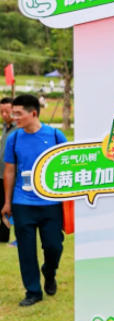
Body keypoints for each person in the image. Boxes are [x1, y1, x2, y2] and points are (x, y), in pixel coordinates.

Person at [1, 94, 67, 306]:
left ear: (34, 113)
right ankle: (33, 291)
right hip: (22, 203)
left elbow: (68, 165)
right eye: (13, 113)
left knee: (54, 246)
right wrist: (7, 202)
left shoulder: (56, 136)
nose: (14, 117)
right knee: (26, 250)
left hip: (51, 203)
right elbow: (9, 171)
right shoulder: (14, 138)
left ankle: (49, 271)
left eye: (18, 113)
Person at [0, 98, 15, 243]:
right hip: (1, 173)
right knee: (3, 204)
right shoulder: (5, 127)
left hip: (11, 175)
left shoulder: (19, 129)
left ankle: (8, 235)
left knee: (9, 204)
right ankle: (3, 235)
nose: (4, 114)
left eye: (7, 111)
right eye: (1, 112)